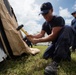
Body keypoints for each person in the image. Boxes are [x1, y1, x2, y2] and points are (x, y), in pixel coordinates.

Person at [27, 2, 75, 75]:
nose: (44, 16)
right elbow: (41, 34)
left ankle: (57, 61)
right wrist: (32, 36)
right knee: (46, 55)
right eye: (42, 14)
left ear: (51, 10)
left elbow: (53, 36)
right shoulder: (45, 24)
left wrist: (37, 41)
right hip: (55, 43)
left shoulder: (58, 19)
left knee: (67, 28)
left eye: (46, 13)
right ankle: (65, 54)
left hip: (62, 41)